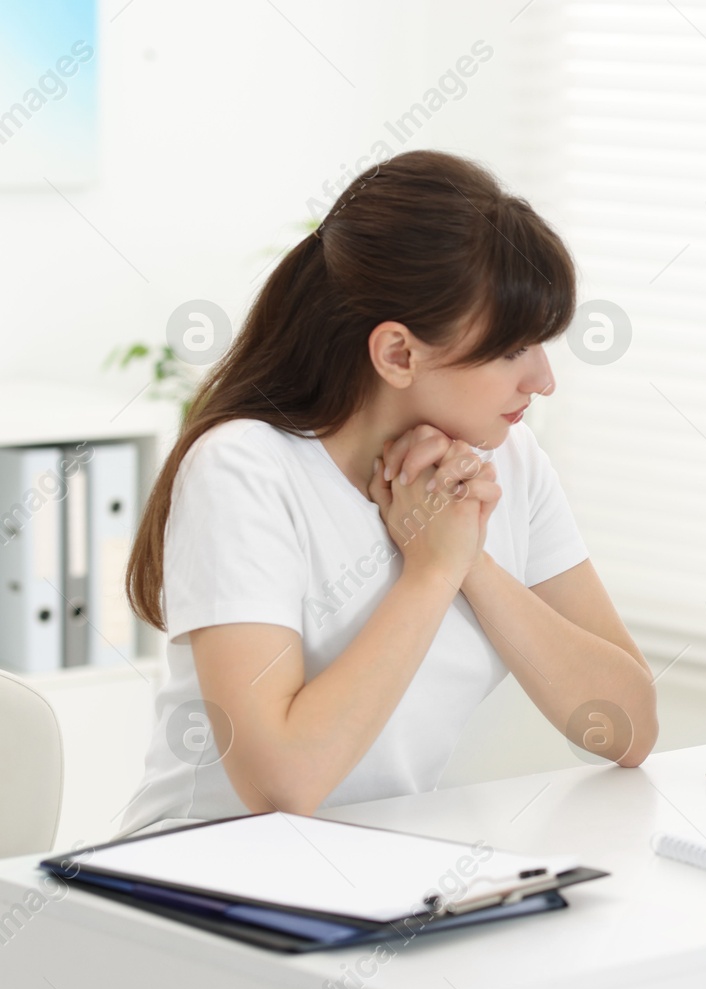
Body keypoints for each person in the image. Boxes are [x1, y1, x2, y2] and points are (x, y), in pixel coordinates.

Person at [118, 150, 657, 836]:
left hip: (377, 874)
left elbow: (629, 726)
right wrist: (430, 572)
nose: (543, 380)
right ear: (399, 353)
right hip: (195, 877)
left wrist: (471, 562)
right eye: (511, 350)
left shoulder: (508, 461)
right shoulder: (244, 469)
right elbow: (282, 783)